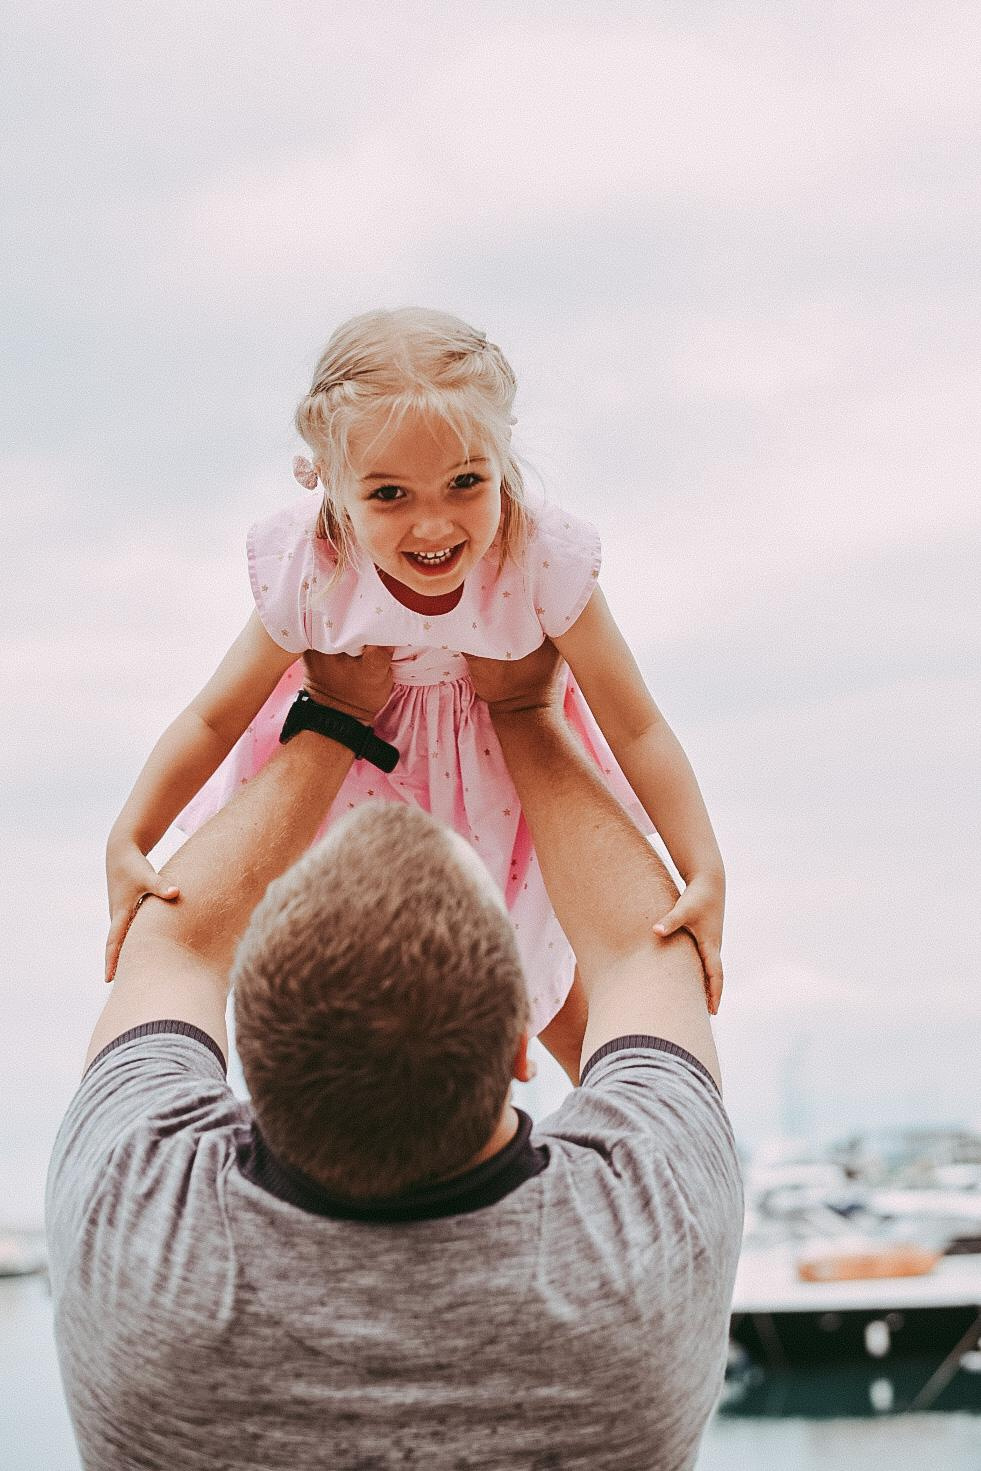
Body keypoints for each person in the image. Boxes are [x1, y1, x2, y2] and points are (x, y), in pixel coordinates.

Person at [47, 640, 743, 1470]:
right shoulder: (639, 1257)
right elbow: (644, 949)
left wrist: (331, 717)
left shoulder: (137, 1230)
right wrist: (525, 713)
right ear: (522, 1044)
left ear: (243, 1060)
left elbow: (175, 943)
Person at [104, 307, 726, 1077]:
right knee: (355, 1004)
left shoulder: (537, 558)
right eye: (389, 494)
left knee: (554, 984)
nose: (432, 522)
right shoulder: (314, 567)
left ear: (503, 460)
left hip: (506, 787)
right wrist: (130, 835)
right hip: (357, 792)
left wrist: (701, 866)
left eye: (465, 482)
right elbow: (212, 715)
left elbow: (635, 725)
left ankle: (626, 1147)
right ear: (331, 487)